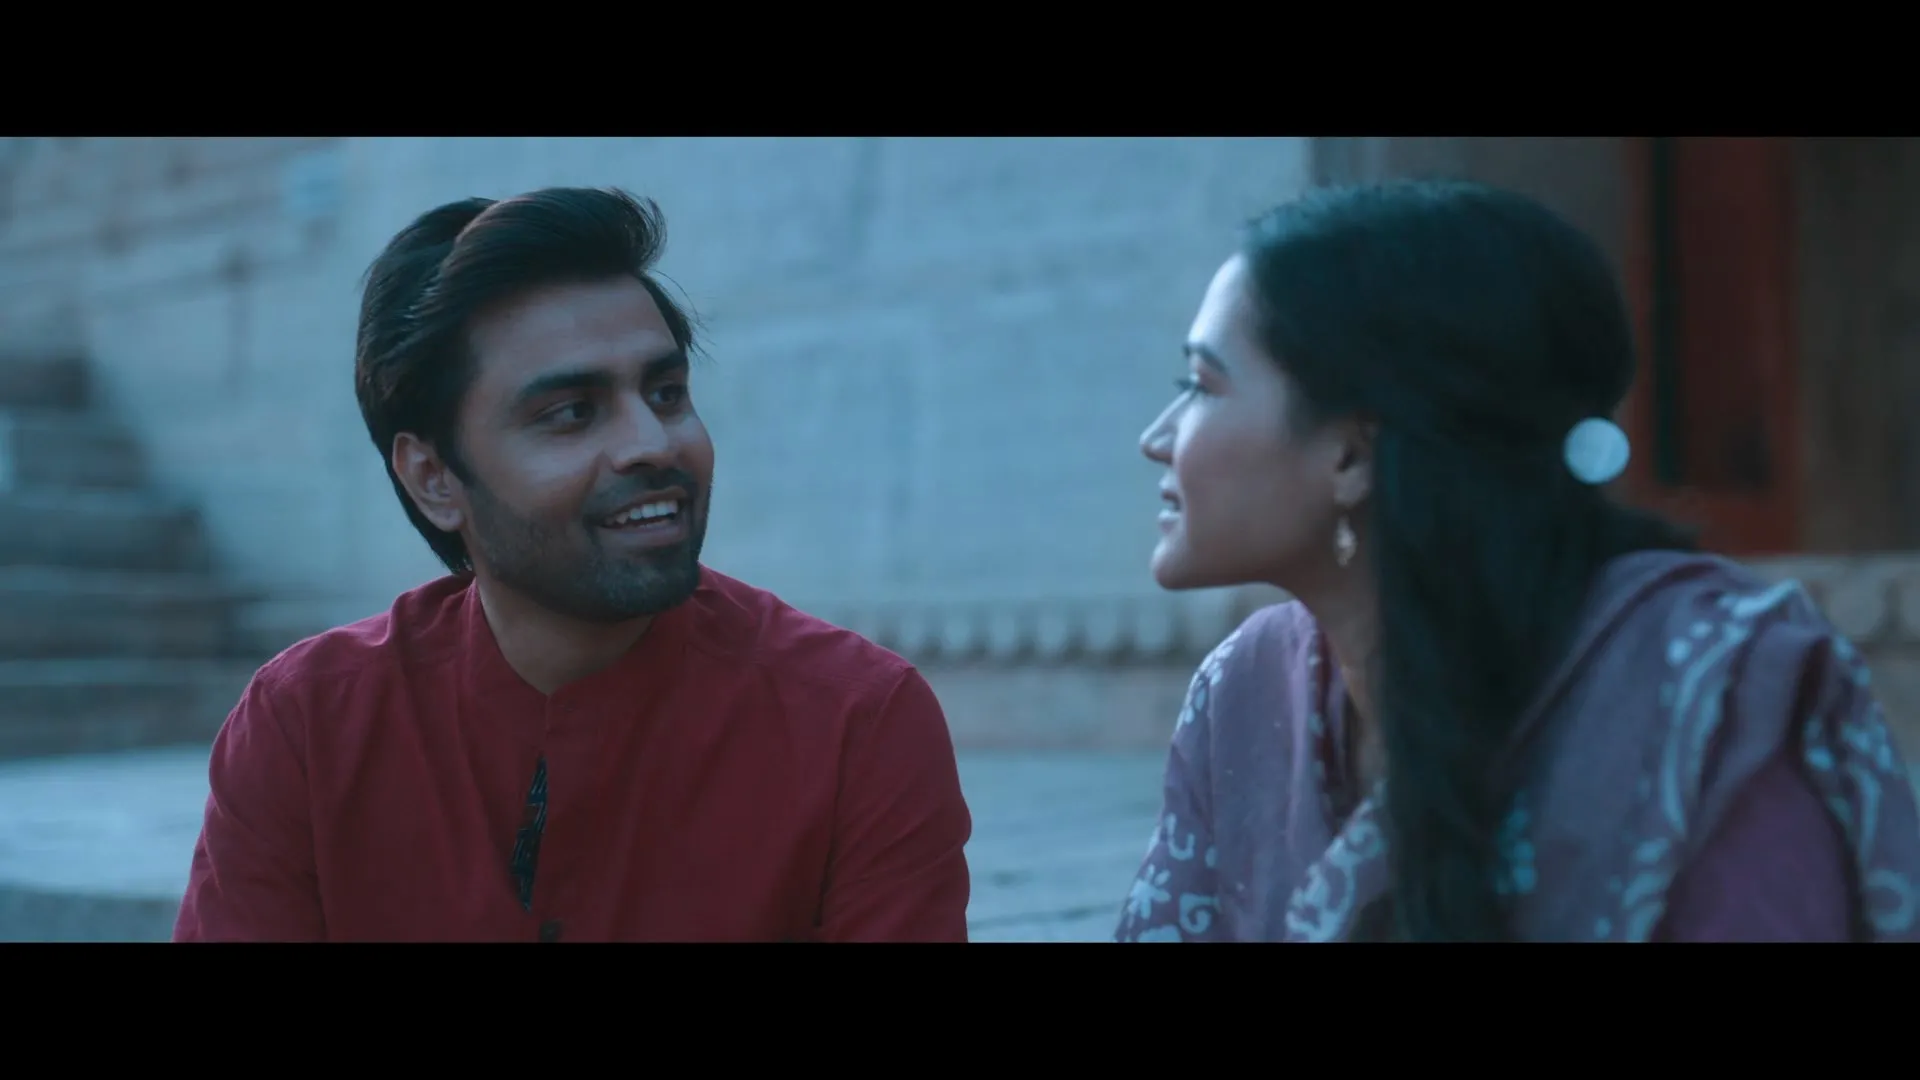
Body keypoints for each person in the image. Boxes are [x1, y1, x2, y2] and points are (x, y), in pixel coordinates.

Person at [1115, 178, 1920, 942]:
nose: (1157, 438)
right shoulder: (1243, 696)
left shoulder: (1705, 692)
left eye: (1202, 385)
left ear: (1353, 455)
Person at [173, 187, 973, 942]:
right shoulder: (311, 726)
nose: (652, 444)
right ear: (434, 478)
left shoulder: (855, 724)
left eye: (666, 393)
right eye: (571, 413)